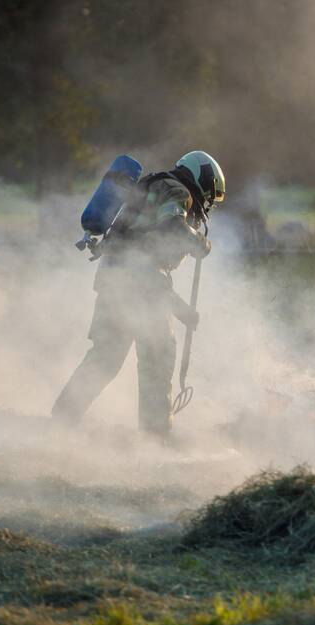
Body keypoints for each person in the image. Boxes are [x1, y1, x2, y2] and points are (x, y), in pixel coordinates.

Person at [52, 151, 224, 438]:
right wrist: (200, 243)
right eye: (210, 194)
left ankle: (61, 419)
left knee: (105, 358)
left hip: (113, 279)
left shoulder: (155, 186)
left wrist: (180, 308)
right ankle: (156, 436)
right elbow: (172, 227)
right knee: (157, 356)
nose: (207, 202)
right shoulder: (177, 191)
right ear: (203, 179)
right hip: (140, 284)